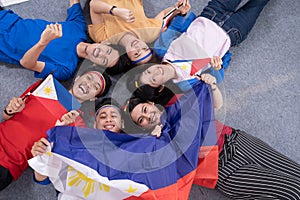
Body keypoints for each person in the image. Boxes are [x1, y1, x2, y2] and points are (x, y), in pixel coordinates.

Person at [126, 80, 300, 199]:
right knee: (292, 192)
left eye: (144, 110)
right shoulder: (153, 144)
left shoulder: (179, 102)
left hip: (237, 140)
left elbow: (215, 105)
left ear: (150, 104)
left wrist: (212, 86)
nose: (147, 116)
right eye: (141, 120)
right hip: (223, 168)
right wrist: (156, 141)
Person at [0, 66, 111, 191]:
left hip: (9, 163)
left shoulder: (78, 125)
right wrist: (10, 110)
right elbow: (6, 117)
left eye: (95, 87)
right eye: (89, 78)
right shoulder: (45, 86)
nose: (88, 84)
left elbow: (49, 163)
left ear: (93, 98)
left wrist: (59, 132)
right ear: (78, 78)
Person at [128, 0, 270, 91]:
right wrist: (217, 68)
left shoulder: (161, 50)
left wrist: (182, 13)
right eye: (153, 79)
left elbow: (177, 28)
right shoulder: (186, 84)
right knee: (258, 3)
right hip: (233, 32)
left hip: (212, 14)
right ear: (159, 87)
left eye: (148, 72)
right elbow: (215, 78)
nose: (155, 72)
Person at [0, 0, 120, 81]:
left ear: (95, 64)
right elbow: (74, 3)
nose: (101, 53)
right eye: (108, 51)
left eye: (103, 60)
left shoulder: (66, 69)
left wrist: (43, 42)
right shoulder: (79, 27)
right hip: (6, 18)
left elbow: (26, 63)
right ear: (105, 43)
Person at [31, 97, 125, 187]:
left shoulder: (133, 151)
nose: (108, 119)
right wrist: (42, 155)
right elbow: (43, 179)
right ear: (95, 125)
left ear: (122, 123)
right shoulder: (75, 145)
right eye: (103, 117)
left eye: (113, 116)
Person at [88, 0, 191, 65]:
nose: (138, 47)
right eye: (144, 48)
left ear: (128, 58)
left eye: (136, 54)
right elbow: (165, 14)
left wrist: (114, 11)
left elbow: (93, 5)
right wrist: (178, 9)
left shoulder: (105, 40)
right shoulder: (150, 33)